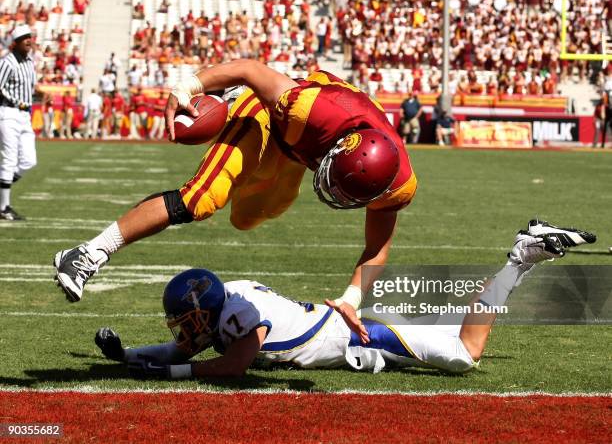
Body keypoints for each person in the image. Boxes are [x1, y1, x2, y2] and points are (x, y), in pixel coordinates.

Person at [53, 60, 419, 341]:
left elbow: (376, 248)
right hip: (271, 118)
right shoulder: (309, 109)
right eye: (337, 183)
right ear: (338, 150)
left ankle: (242, 173)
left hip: (297, 153)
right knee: (202, 199)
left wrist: (350, 299)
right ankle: (88, 252)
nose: (334, 195)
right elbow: (248, 69)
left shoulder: (397, 183)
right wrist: (185, 88)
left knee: (248, 217)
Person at [94, 220, 596, 379]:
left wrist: (163, 372)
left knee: (465, 354)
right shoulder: (229, 300)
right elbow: (181, 352)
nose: (184, 329)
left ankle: (521, 256)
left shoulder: (239, 314)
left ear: (206, 310)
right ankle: (523, 256)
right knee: (454, 338)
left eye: (186, 319)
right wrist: (131, 355)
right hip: (342, 328)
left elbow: (231, 368)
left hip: (361, 337)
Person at [0, 25, 38, 221]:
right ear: (15, 43)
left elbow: (29, 90)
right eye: (25, 38)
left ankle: (2, 187)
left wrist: (40, 95)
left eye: (30, 37)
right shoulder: (8, 62)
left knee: (29, 160)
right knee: (9, 160)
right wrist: (14, 100)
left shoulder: (29, 62)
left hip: (25, 115)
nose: (29, 41)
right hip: (9, 113)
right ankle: (4, 207)